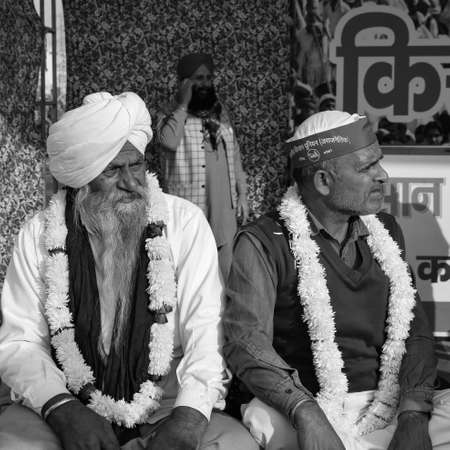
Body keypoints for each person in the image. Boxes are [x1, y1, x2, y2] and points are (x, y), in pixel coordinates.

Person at [0, 92, 258, 450]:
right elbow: (21, 342)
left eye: (136, 165)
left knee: (234, 446)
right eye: (112, 170)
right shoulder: (40, 235)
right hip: (67, 400)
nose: (132, 183)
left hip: (166, 405)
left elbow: (206, 333)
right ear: (80, 179)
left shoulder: (183, 223)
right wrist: (62, 409)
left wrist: (188, 418)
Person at [223, 110, 450, 449]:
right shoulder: (264, 241)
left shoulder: (386, 230)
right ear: (323, 182)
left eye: (379, 163)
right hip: (302, 404)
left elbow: (415, 331)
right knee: (267, 424)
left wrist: (413, 415)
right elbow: (246, 343)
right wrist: (305, 412)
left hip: (387, 402)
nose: (383, 176)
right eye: (367, 168)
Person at [155, 52, 249, 280]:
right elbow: (169, 141)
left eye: (208, 77)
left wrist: (242, 194)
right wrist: (183, 105)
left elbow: (234, 153)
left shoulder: (220, 112)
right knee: (191, 275)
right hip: (189, 207)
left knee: (224, 274)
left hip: (223, 212)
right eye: (198, 78)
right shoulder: (167, 112)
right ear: (183, 82)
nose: (205, 83)